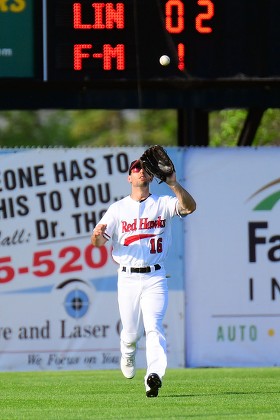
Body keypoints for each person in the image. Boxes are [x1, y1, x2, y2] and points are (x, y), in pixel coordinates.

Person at [91, 157, 196, 397]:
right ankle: (127, 352)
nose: (139, 171)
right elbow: (97, 242)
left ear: (150, 177)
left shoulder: (163, 202)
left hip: (155, 277)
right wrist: (97, 235)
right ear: (129, 177)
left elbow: (189, 207)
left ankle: (154, 376)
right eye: (135, 169)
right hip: (127, 278)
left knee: (154, 327)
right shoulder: (117, 209)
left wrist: (173, 183)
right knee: (130, 333)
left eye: (143, 169)